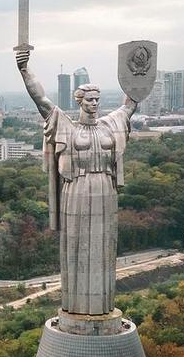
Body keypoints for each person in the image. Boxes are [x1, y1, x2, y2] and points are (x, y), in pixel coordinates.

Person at [16, 48, 139, 316]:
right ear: (80, 101)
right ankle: (74, 306)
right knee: (76, 245)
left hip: (106, 190)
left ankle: (102, 306)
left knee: (105, 244)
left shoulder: (111, 125)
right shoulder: (67, 127)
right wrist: (25, 70)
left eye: (97, 99)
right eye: (90, 100)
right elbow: (41, 100)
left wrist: (137, 75)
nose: (95, 103)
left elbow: (130, 104)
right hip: (76, 190)